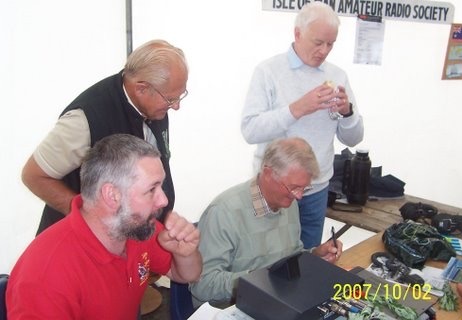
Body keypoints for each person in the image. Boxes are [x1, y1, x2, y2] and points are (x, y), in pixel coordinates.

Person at [7, 134, 202, 319]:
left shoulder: (136, 227)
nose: (163, 200)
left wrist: (184, 254)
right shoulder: (45, 276)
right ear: (112, 195)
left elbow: (185, 274)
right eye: (152, 189)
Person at [22, 39, 189, 235]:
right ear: (141, 88)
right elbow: (33, 175)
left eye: (180, 95)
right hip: (79, 243)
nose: (176, 106)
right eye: (171, 99)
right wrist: (90, 220)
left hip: (130, 237)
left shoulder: (155, 104)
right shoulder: (84, 119)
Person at [241, 2, 364, 249]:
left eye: (330, 44)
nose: (324, 51)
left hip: (316, 189)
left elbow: (354, 139)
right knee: (266, 261)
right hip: (274, 187)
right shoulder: (268, 71)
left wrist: (347, 113)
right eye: (318, 42)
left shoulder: (337, 76)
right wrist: (296, 109)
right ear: (297, 33)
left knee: (306, 262)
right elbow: (250, 130)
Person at [190, 137, 342, 308]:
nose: (299, 196)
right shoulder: (224, 213)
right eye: (294, 187)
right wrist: (258, 280)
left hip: (278, 300)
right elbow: (202, 285)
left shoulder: (288, 203)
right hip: (232, 307)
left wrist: (314, 256)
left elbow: (290, 257)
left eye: (304, 188)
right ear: (268, 174)